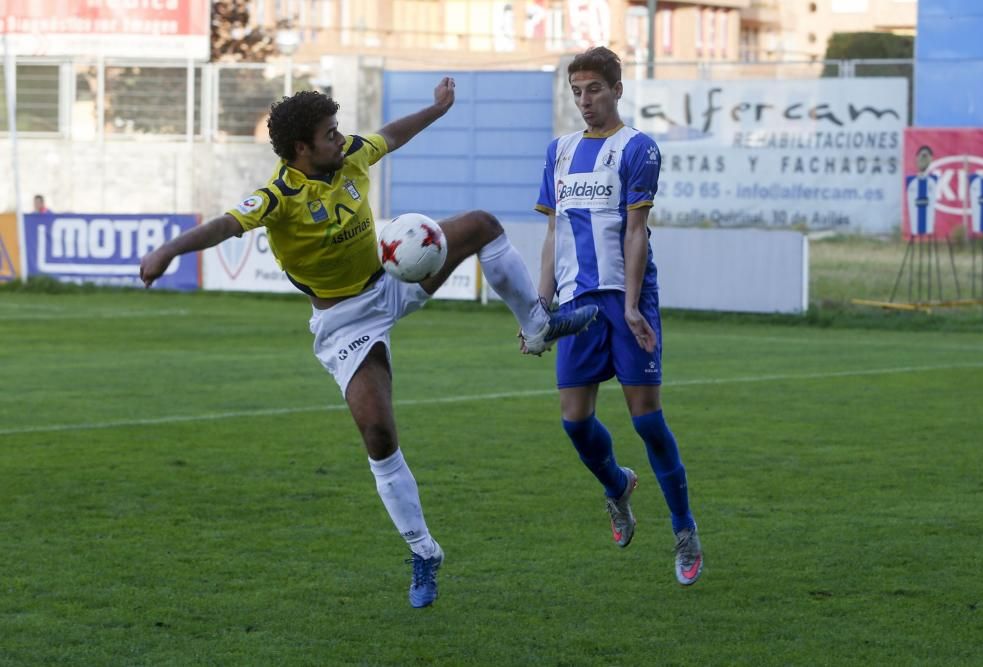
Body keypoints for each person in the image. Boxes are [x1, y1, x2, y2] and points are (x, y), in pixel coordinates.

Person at [139, 81, 598, 608]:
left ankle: (536, 325)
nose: (342, 140)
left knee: (481, 226)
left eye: (338, 131)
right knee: (378, 434)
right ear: (300, 151)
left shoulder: (350, 156)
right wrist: (168, 251)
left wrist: (438, 108)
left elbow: (392, 136)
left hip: (392, 282)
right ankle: (424, 552)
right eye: (329, 136)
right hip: (345, 323)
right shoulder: (278, 198)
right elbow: (224, 224)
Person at [529, 47, 704, 585]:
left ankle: (684, 531)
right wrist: (539, 309)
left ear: (617, 89)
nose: (585, 101)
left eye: (594, 90)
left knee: (647, 419)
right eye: (577, 91)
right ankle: (617, 486)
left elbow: (634, 233)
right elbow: (554, 233)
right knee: (574, 422)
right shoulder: (559, 151)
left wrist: (630, 306)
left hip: (625, 298)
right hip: (577, 305)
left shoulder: (638, 149)